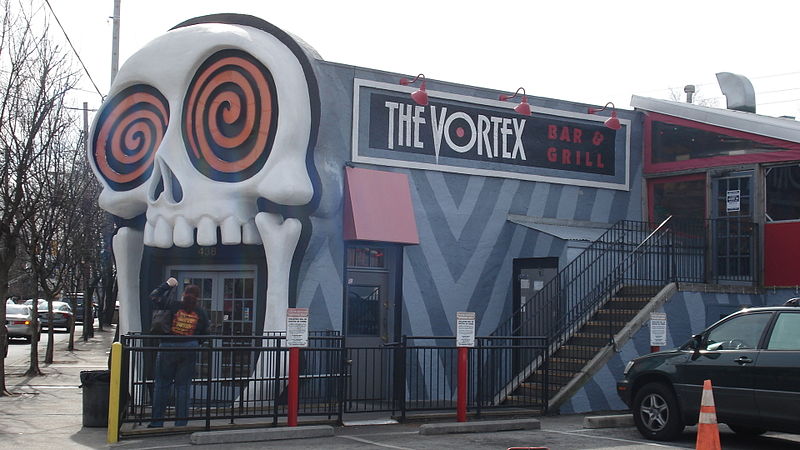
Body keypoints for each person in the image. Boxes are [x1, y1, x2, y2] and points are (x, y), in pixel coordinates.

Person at [149, 282, 210, 428]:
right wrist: (196, 342)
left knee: (162, 385)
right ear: (198, 297)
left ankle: (157, 422)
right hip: (189, 348)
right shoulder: (200, 312)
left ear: (183, 294)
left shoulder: (172, 305)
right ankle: (181, 422)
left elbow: (154, 296)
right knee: (183, 387)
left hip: (167, 346)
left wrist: (167, 285)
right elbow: (205, 333)